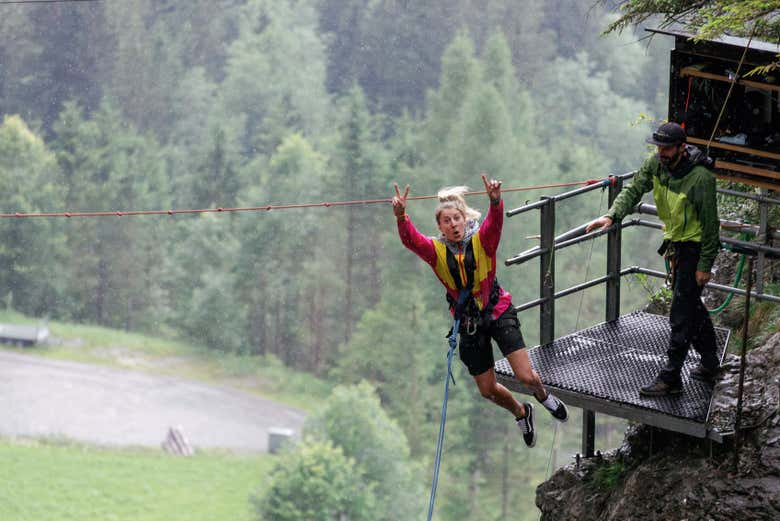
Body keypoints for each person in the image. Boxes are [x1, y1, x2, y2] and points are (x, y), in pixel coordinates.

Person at [392, 174, 568, 447]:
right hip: (469, 322)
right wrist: (401, 216)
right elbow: (411, 241)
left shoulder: (482, 240)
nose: (453, 225)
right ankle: (521, 412)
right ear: (439, 226)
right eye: (446, 221)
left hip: (497, 310)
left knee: (525, 376)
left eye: (456, 219)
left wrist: (495, 200)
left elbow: (494, 224)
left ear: (464, 219)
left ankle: (542, 396)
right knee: (487, 390)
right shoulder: (434, 250)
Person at [585, 122, 721, 397]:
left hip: (693, 246)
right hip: (677, 243)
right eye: (659, 147)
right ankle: (709, 362)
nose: (661, 152)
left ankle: (671, 378)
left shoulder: (701, 178)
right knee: (691, 304)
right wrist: (612, 215)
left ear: (682, 148)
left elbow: (711, 225)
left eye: (667, 148)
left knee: (681, 313)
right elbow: (634, 190)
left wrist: (705, 265)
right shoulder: (656, 165)